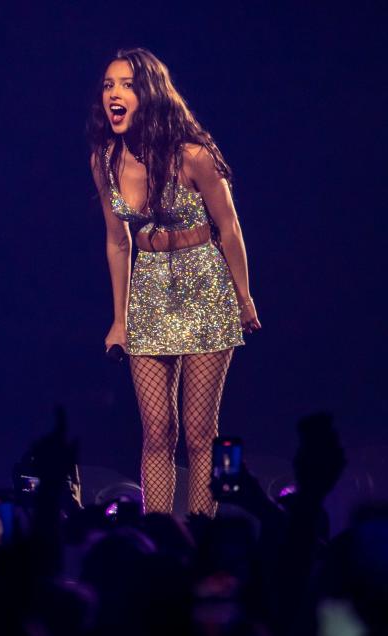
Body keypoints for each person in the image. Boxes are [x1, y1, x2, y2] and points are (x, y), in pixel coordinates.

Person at [88, 48, 262, 516]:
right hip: (148, 289)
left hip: (204, 283)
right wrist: (118, 320)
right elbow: (117, 243)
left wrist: (244, 299)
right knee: (157, 431)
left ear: (150, 94)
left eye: (126, 85)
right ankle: (157, 532)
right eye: (108, 85)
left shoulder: (193, 155)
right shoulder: (104, 160)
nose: (114, 95)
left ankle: (202, 535)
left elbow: (229, 229)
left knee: (200, 431)